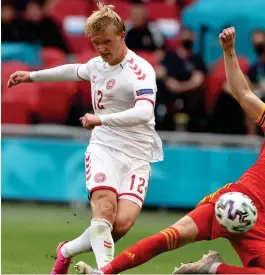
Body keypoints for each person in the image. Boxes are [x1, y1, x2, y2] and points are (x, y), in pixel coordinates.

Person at [75, 27, 265, 275]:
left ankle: (213, 268)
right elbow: (242, 93)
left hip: (260, 225)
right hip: (235, 200)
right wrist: (229, 51)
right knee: (171, 237)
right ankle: (103, 273)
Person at [7, 2, 163, 274]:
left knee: (121, 225)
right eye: (96, 43)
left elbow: (144, 111)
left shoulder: (141, 71)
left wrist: (100, 118)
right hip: (104, 146)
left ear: (122, 36)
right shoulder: (98, 64)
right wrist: (31, 76)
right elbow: (74, 69)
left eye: (107, 42)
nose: (102, 49)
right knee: (103, 211)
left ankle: (66, 250)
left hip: (138, 153)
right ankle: (105, 271)